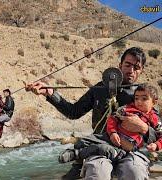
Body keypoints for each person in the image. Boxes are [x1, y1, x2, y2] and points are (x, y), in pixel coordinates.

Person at [25, 47, 156, 179]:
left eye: (137, 67)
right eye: (127, 65)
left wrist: (144, 128)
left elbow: (157, 131)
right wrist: (50, 93)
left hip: (131, 150)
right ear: (120, 65)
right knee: (98, 172)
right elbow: (73, 112)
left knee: (135, 172)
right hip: (99, 148)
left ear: (142, 70)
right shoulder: (99, 89)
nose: (131, 71)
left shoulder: (144, 95)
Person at [58, 84, 161, 164]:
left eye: (144, 99)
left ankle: (76, 154)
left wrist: (156, 145)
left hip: (125, 148)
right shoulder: (127, 109)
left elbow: (160, 135)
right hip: (110, 137)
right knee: (89, 139)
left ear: (154, 102)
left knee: (102, 149)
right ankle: (73, 150)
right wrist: (113, 133)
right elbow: (113, 118)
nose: (139, 102)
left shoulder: (155, 119)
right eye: (136, 98)